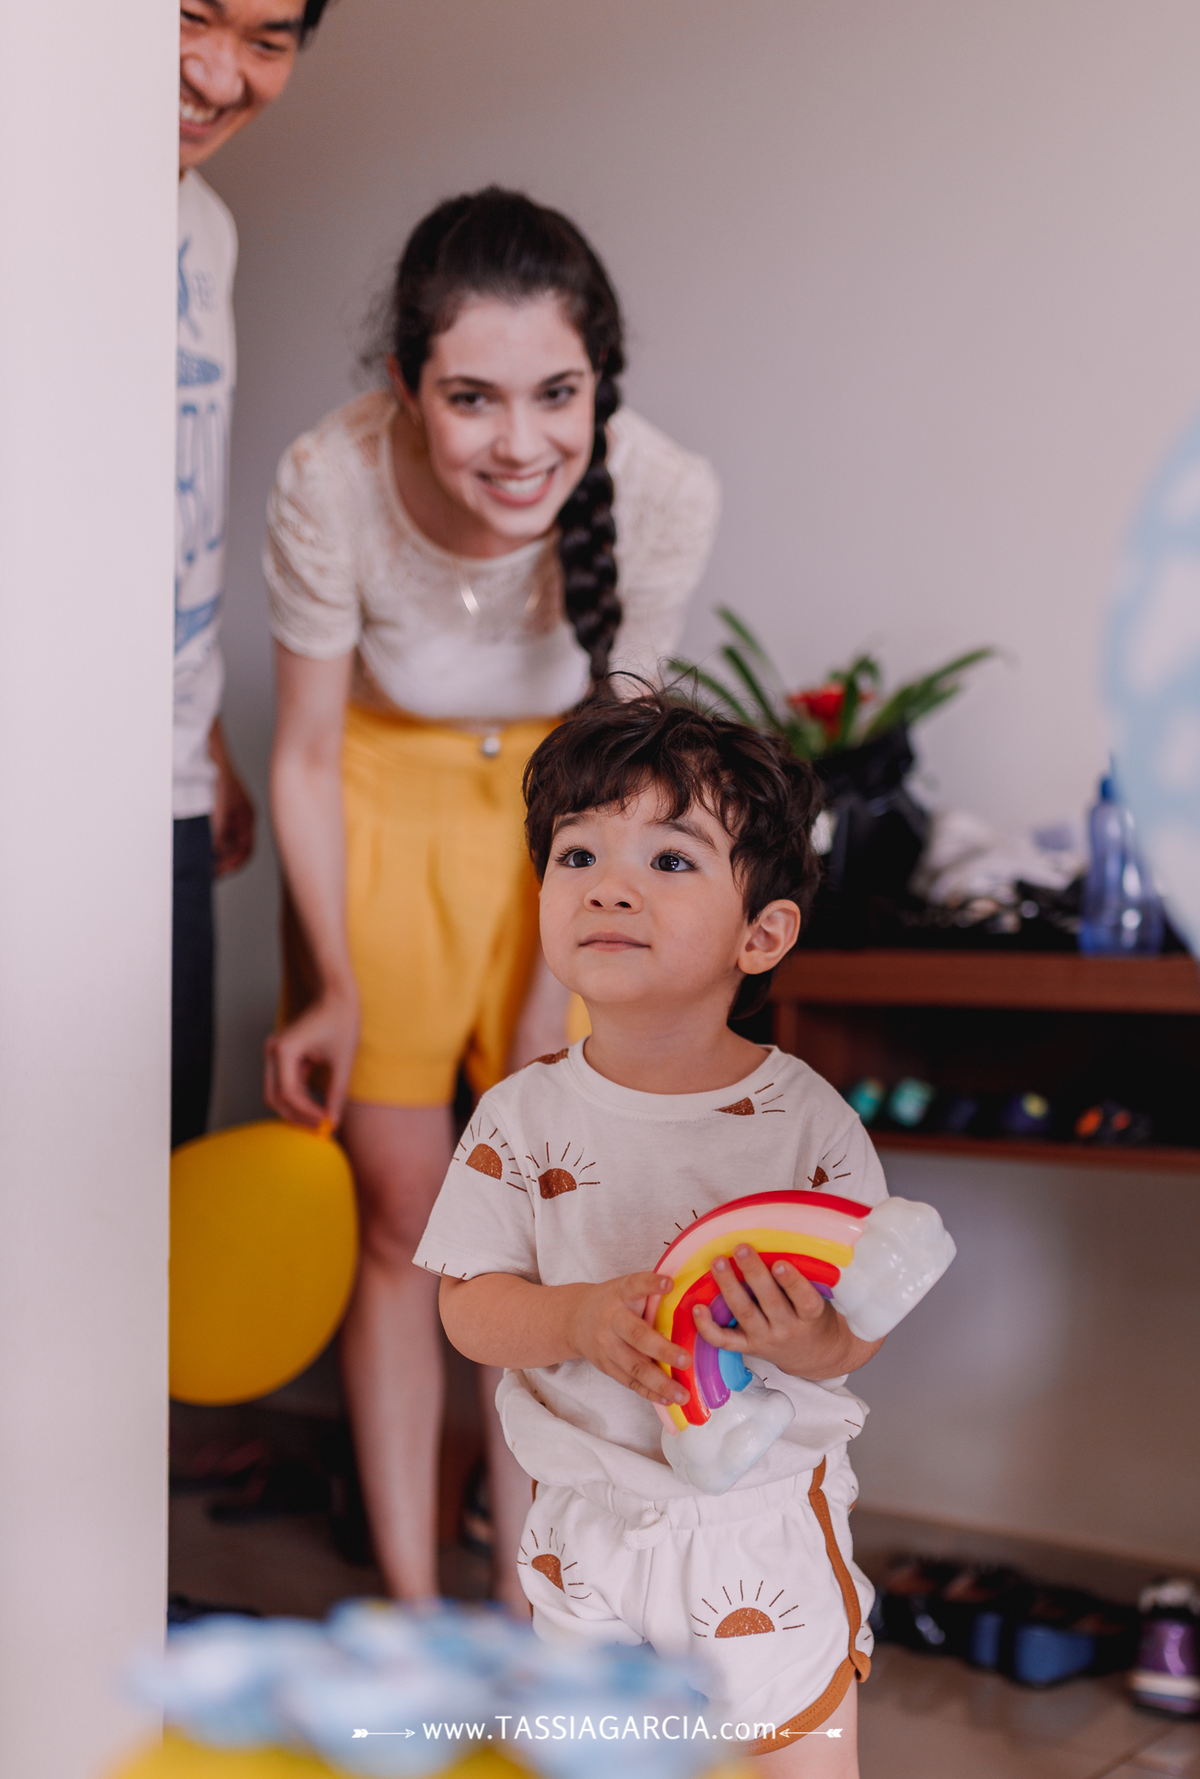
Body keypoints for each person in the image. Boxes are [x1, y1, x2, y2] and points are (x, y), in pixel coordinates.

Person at [262, 188, 720, 1607]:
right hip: (380, 809)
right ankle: (411, 1606)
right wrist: (332, 981)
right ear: (407, 388)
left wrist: (550, 998)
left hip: (572, 824)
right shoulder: (328, 477)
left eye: (556, 395)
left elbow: (622, 774)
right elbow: (301, 752)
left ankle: (528, 1600)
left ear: (601, 388)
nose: (519, 443)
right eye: (471, 397)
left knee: (538, 1218)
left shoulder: (663, 492)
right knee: (404, 1214)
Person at [417, 692, 885, 1776]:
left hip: (758, 1532)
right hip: (588, 1530)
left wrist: (795, 1339)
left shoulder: (807, 1122)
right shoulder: (519, 1117)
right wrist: (576, 1317)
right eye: (578, 854)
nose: (609, 884)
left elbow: (854, 1333)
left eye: (669, 861)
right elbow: (469, 1306)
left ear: (761, 934)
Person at [173, 0, 343, 1146]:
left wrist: (206, 733)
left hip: (164, 788)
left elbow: (162, 516)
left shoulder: (207, 229)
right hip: (35, 788)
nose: (221, 76)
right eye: (187, 15)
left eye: (267, 39)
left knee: (141, 1188)